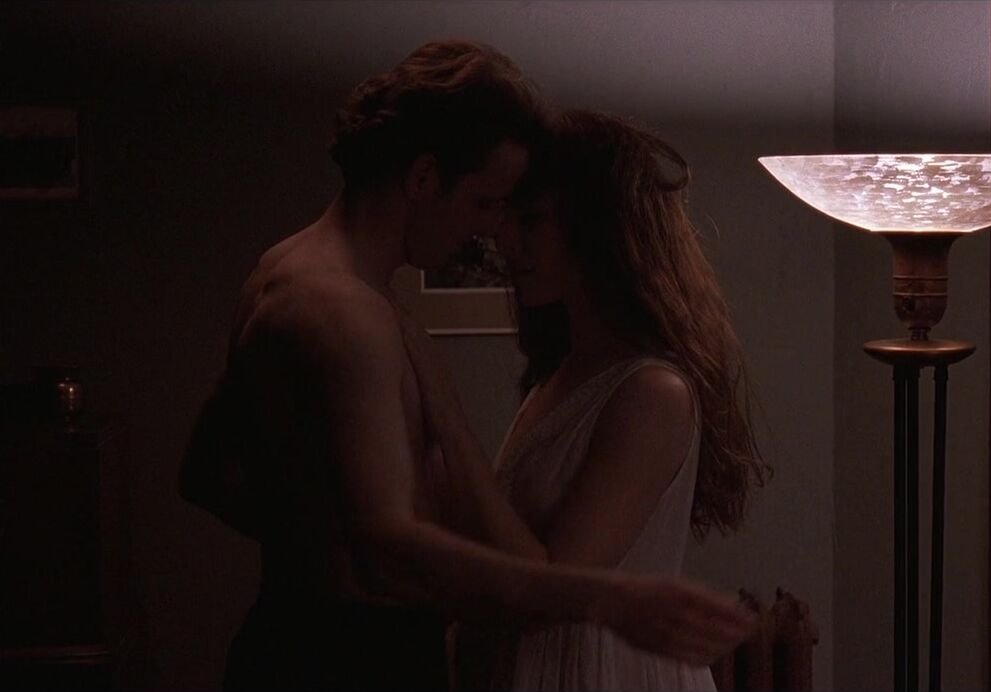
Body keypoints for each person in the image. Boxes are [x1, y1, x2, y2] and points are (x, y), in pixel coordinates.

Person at [178, 41, 754, 691]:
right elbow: (385, 539)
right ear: (425, 179)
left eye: (516, 215)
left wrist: (328, 546)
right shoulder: (351, 314)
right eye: (485, 203)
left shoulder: (283, 272)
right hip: (352, 651)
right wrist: (611, 600)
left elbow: (213, 475)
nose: (492, 234)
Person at [401, 108, 772, 691]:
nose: (506, 242)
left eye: (532, 219)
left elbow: (555, 585)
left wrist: (446, 415)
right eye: (506, 218)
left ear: (597, 226)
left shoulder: (651, 392)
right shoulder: (564, 375)